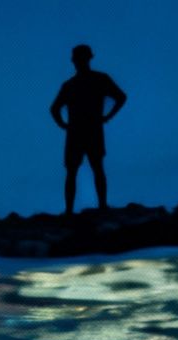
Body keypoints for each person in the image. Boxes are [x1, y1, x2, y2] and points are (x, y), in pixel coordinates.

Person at [50, 44, 125, 215]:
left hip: (79, 132)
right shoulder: (96, 80)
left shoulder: (72, 85)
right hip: (88, 130)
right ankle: (98, 207)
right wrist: (107, 117)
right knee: (91, 169)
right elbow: (121, 97)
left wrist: (64, 125)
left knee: (80, 171)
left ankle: (72, 211)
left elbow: (54, 109)